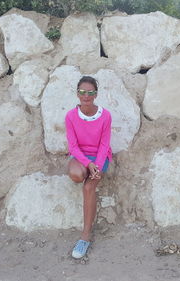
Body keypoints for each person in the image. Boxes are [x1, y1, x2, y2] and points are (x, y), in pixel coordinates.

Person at [65, 76, 112, 259]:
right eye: (82, 92)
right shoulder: (70, 116)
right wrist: (88, 164)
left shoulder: (105, 115)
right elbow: (73, 147)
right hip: (81, 156)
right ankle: (85, 169)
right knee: (77, 175)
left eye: (90, 92)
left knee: (88, 187)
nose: (86, 96)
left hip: (100, 157)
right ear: (77, 93)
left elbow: (104, 144)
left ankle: (85, 236)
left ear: (96, 94)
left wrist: (97, 165)